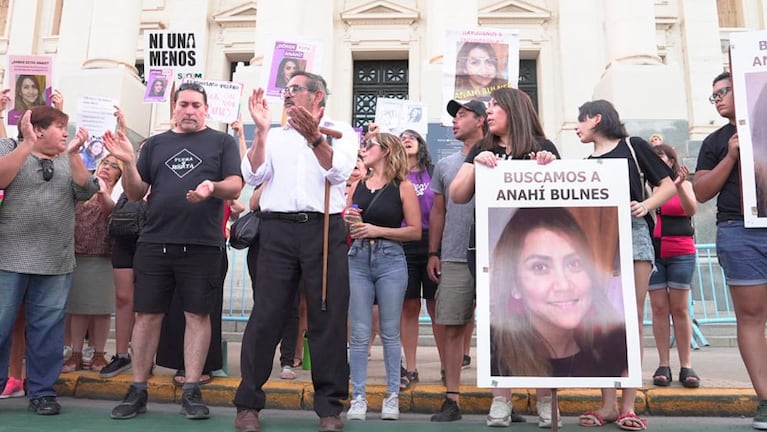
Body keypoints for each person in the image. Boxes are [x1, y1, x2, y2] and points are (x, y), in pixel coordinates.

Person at [104, 81, 243, 421]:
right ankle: (138, 389)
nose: (190, 110)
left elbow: (236, 184)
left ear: (206, 109)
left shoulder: (222, 142)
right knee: (147, 316)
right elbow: (136, 193)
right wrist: (128, 163)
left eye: (196, 105)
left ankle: (192, 390)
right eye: (184, 104)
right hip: (154, 243)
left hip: (203, 245)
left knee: (198, 316)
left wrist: (212, 188)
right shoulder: (155, 144)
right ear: (174, 108)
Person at [234, 71, 358, 432]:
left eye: (295, 90)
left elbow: (339, 171)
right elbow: (253, 175)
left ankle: (330, 408)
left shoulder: (341, 130)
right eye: (285, 90)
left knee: (328, 317)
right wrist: (258, 131)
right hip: (277, 230)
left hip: (324, 229)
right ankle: (248, 404)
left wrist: (315, 137)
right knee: (267, 315)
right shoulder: (273, 135)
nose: (287, 95)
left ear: (317, 96)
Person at [447, 89, 560, 428]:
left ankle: (545, 400)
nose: (490, 112)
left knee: (541, 323)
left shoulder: (544, 147)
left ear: (514, 110)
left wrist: (551, 168)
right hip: (488, 249)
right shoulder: (483, 148)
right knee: (499, 324)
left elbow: (562, 200)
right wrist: (474, 166)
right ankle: (501, 399)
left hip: (534, 254)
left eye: (495, 106)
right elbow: (457, 194)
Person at [575, 99, 675, 431]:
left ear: (597, 119)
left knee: (631, 319)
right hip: (598, 239)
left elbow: (667, 183)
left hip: (633, 235)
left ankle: (627, 405)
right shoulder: (586, 162)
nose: (577, 125)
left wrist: (645, 206)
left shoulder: (633, 146)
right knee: (604, 320)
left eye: (581, 119)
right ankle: (608, 404)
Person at [0, 107, 98, 415]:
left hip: (55, 262)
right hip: (8, 259)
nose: (66, 133)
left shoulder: (68, 159)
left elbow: (86, 191)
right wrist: (28, 145)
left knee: (48, 331)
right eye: (60, 127)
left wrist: (73, 155)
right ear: (38, 129)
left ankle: (42, 391)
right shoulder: (12, 148)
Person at [694, 71, 767, 430]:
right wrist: (731, 156)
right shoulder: (715, 140)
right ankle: (765, 399)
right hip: (739, 231)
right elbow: (702, 191)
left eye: (724, 90)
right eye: (714, 95)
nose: (719, 98)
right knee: (751, 317)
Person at [490, 207, 628, 377]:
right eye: (540, 267)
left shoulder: (616, 351)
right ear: (514, 286)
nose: (563, 285)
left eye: (574, 264)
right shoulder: (496, 360)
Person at [344, 132, 421, 421]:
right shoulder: (358, 185)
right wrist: (352, 220)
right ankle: (359, 397)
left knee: (390, 330)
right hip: (359, 258)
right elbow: (349, 218)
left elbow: (414, 230)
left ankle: (392, 396)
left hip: (390, 259)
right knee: (360, 333)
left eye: (368, 145)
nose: (363, 150)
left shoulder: (404, 187)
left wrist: (378, 231)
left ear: (386, 150)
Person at [427, 99, 488, 423]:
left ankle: (504, 396)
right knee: (451, 325)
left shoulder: (503, 156)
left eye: (462, 115)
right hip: (453, 255)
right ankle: (452, 397)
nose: (454, 121)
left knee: (504, 329)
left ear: (480, 120)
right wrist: (433, 252)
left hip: (497, 254)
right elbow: (439, 211)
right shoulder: (446, 165)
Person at [62, 155, 122, 373]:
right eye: (105, 163)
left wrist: (103, 192)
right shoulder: (83, 185)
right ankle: (76, 353)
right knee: (77, 308)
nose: (108, 167)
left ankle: (98, 353)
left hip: (104, 255)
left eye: (115, 166)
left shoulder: (116, 193)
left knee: (101, 309)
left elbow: (110, 212)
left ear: (119, 174)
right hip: (78, 254)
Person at [649, 143, 701, 389]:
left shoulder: (685, 184)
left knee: (680, 309)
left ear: (672, 160)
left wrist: (678, 185)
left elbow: (691, 209)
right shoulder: (649, 186)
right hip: (655, 252)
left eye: (662, 157)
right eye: (654, 158)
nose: (659, 161)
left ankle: (686, 365)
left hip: (681, 250)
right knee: (659, 308)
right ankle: (663, 364)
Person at [396, 129, 440, 391]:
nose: (407, 139)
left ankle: (447, 365)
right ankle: (410, 368)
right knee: (409, 307)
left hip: (433, 243)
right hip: (405, 243)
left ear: (421, 144)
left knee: (436, 308)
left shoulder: (434, 172)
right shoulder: (395, 176)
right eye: (402, 138)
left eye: (412, 137)